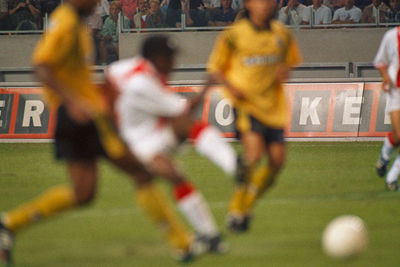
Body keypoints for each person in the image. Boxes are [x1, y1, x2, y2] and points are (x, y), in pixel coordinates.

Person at [0, 1, 202, 265]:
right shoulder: (65, 22)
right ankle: (184, 243)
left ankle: (9, 223)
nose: (96, 3)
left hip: (90, 116)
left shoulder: (79, 25)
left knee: (85, 193)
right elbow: (42, 67)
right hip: (76, 117)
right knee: (137, 173)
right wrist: (72, 102)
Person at [105, 35, 237, 252]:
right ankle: (232, 168)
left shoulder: (131, 69)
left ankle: (205, 237)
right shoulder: (142, 84)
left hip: (148, 132)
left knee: (167, 177)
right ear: (155, 58)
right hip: (136, 143)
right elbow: (182, 110)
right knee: (169, 171)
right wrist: (207, 86)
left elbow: (111, 73)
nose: (173, 63)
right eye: (170, 58)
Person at [207, 0, 302, 232]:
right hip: (247, 106)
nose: (265, 5)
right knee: (255, 154)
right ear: (249, 4)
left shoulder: (282, 34)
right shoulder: (233, 35)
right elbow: (216, 68)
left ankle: (244, 206)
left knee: (277, 162)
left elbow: (289, 63)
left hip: (273, 108)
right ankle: (237, 211)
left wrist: (283, 72)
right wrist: (231, 88)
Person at [375, 26, 400, 191]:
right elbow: (380, 61)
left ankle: (391, 178)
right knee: (398, 135)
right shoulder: (391, 36)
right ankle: (384, 157)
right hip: (396, 92)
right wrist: (385, 78)